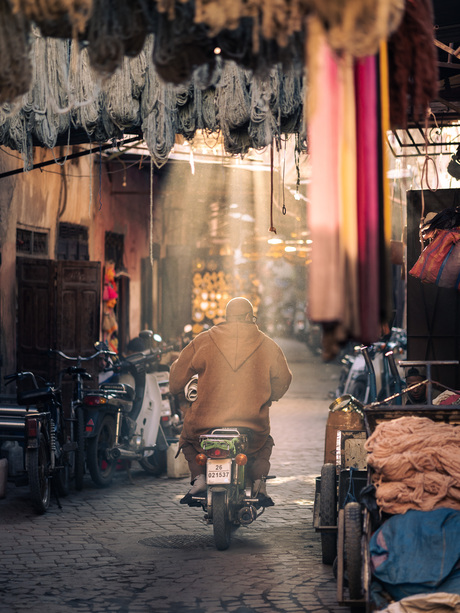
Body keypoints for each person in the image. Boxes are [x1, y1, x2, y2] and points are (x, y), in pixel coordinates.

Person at [169, 297, 292, 508]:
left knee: (188, 440)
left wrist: (178, 389)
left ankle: (199, 478)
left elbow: (176, 379)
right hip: (251, 423)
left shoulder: (203, 340)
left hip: (205, 424)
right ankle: (258, 484)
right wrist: (269, 395)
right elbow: (284, 379)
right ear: (247, 317)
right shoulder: (268, 344)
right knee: (263, 444)